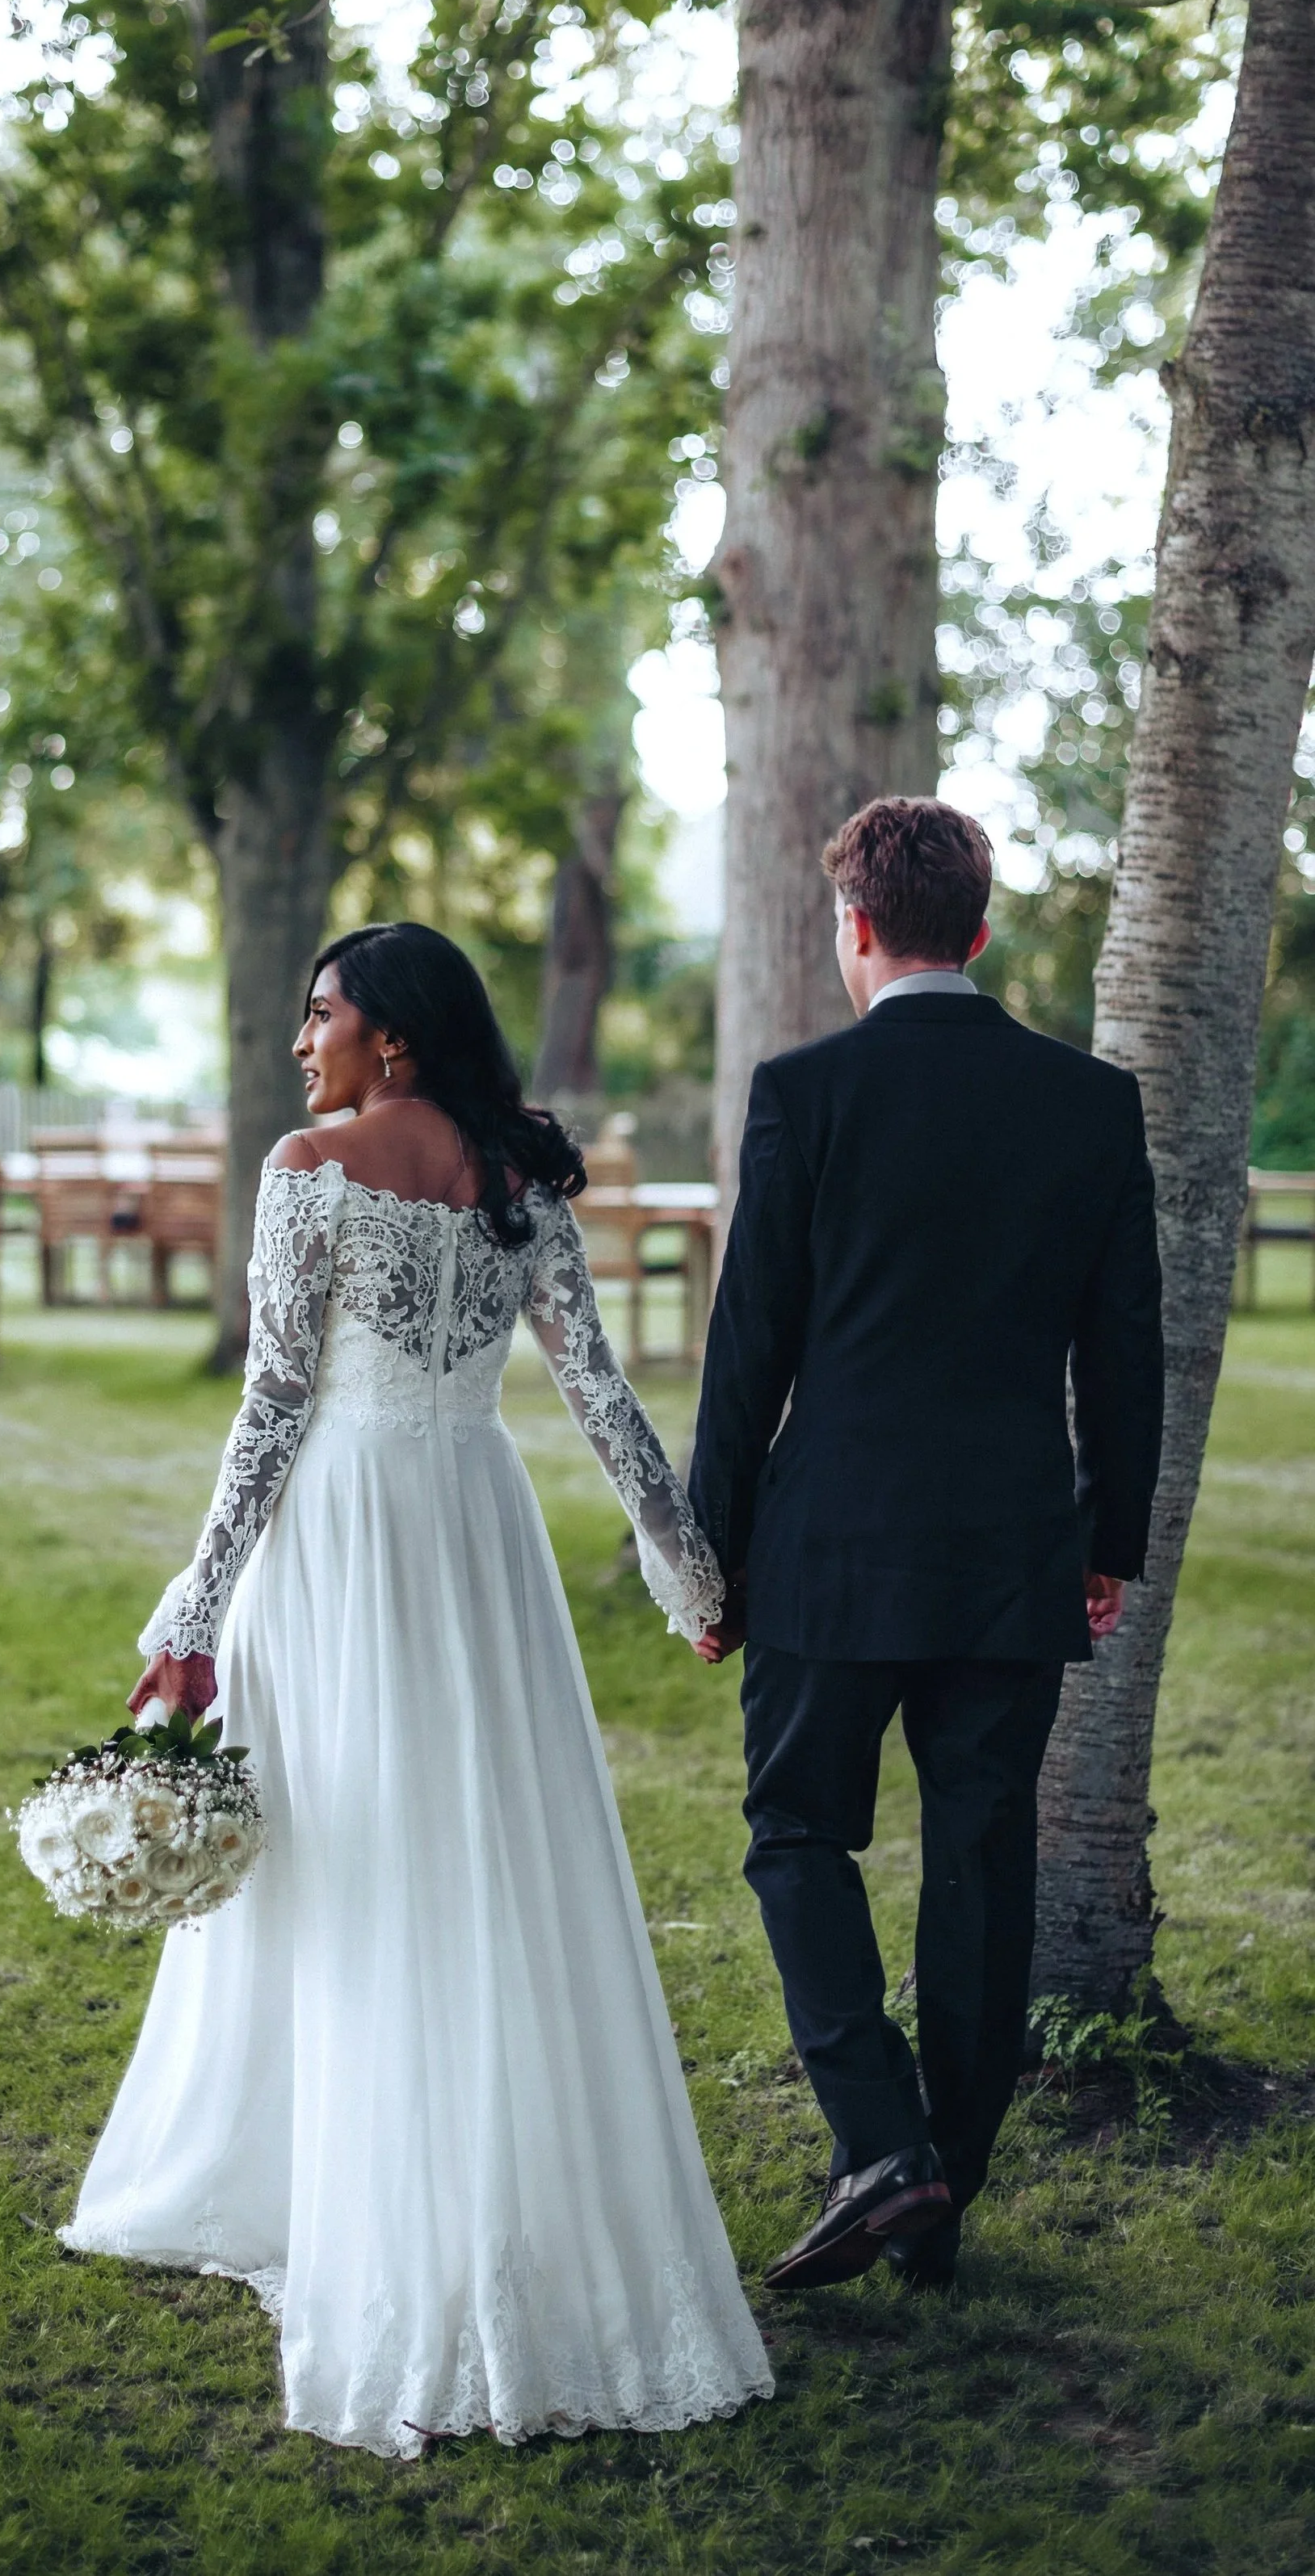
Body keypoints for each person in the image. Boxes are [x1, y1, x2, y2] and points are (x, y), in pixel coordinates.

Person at [61, 922, 772, 2456]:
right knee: (472, 1851)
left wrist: (195, 1603)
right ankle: (422, 2157)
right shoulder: (516, 1180)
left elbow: (273, 1403)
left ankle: (367, 2195)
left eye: (321, 1013)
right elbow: (599, 1391)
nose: (300, 1038)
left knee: (344, 1847)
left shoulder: (309, 1165)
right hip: (475, 1526)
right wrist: (692, 1569)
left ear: (391, 1036)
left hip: (342, 1530)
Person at [688, 797, 1164, 2294]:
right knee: (981, 1858)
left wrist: (712, 1551)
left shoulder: (804, 1090)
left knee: (797, 1837)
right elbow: (1129, 1351)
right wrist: (1112, 1537)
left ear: (856, 930)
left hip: (829, 1545)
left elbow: (747, 1344)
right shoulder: (1089, 1101)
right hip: (1015, 1547)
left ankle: (883, 2143)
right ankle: (936, 2187)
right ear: (976, 929)